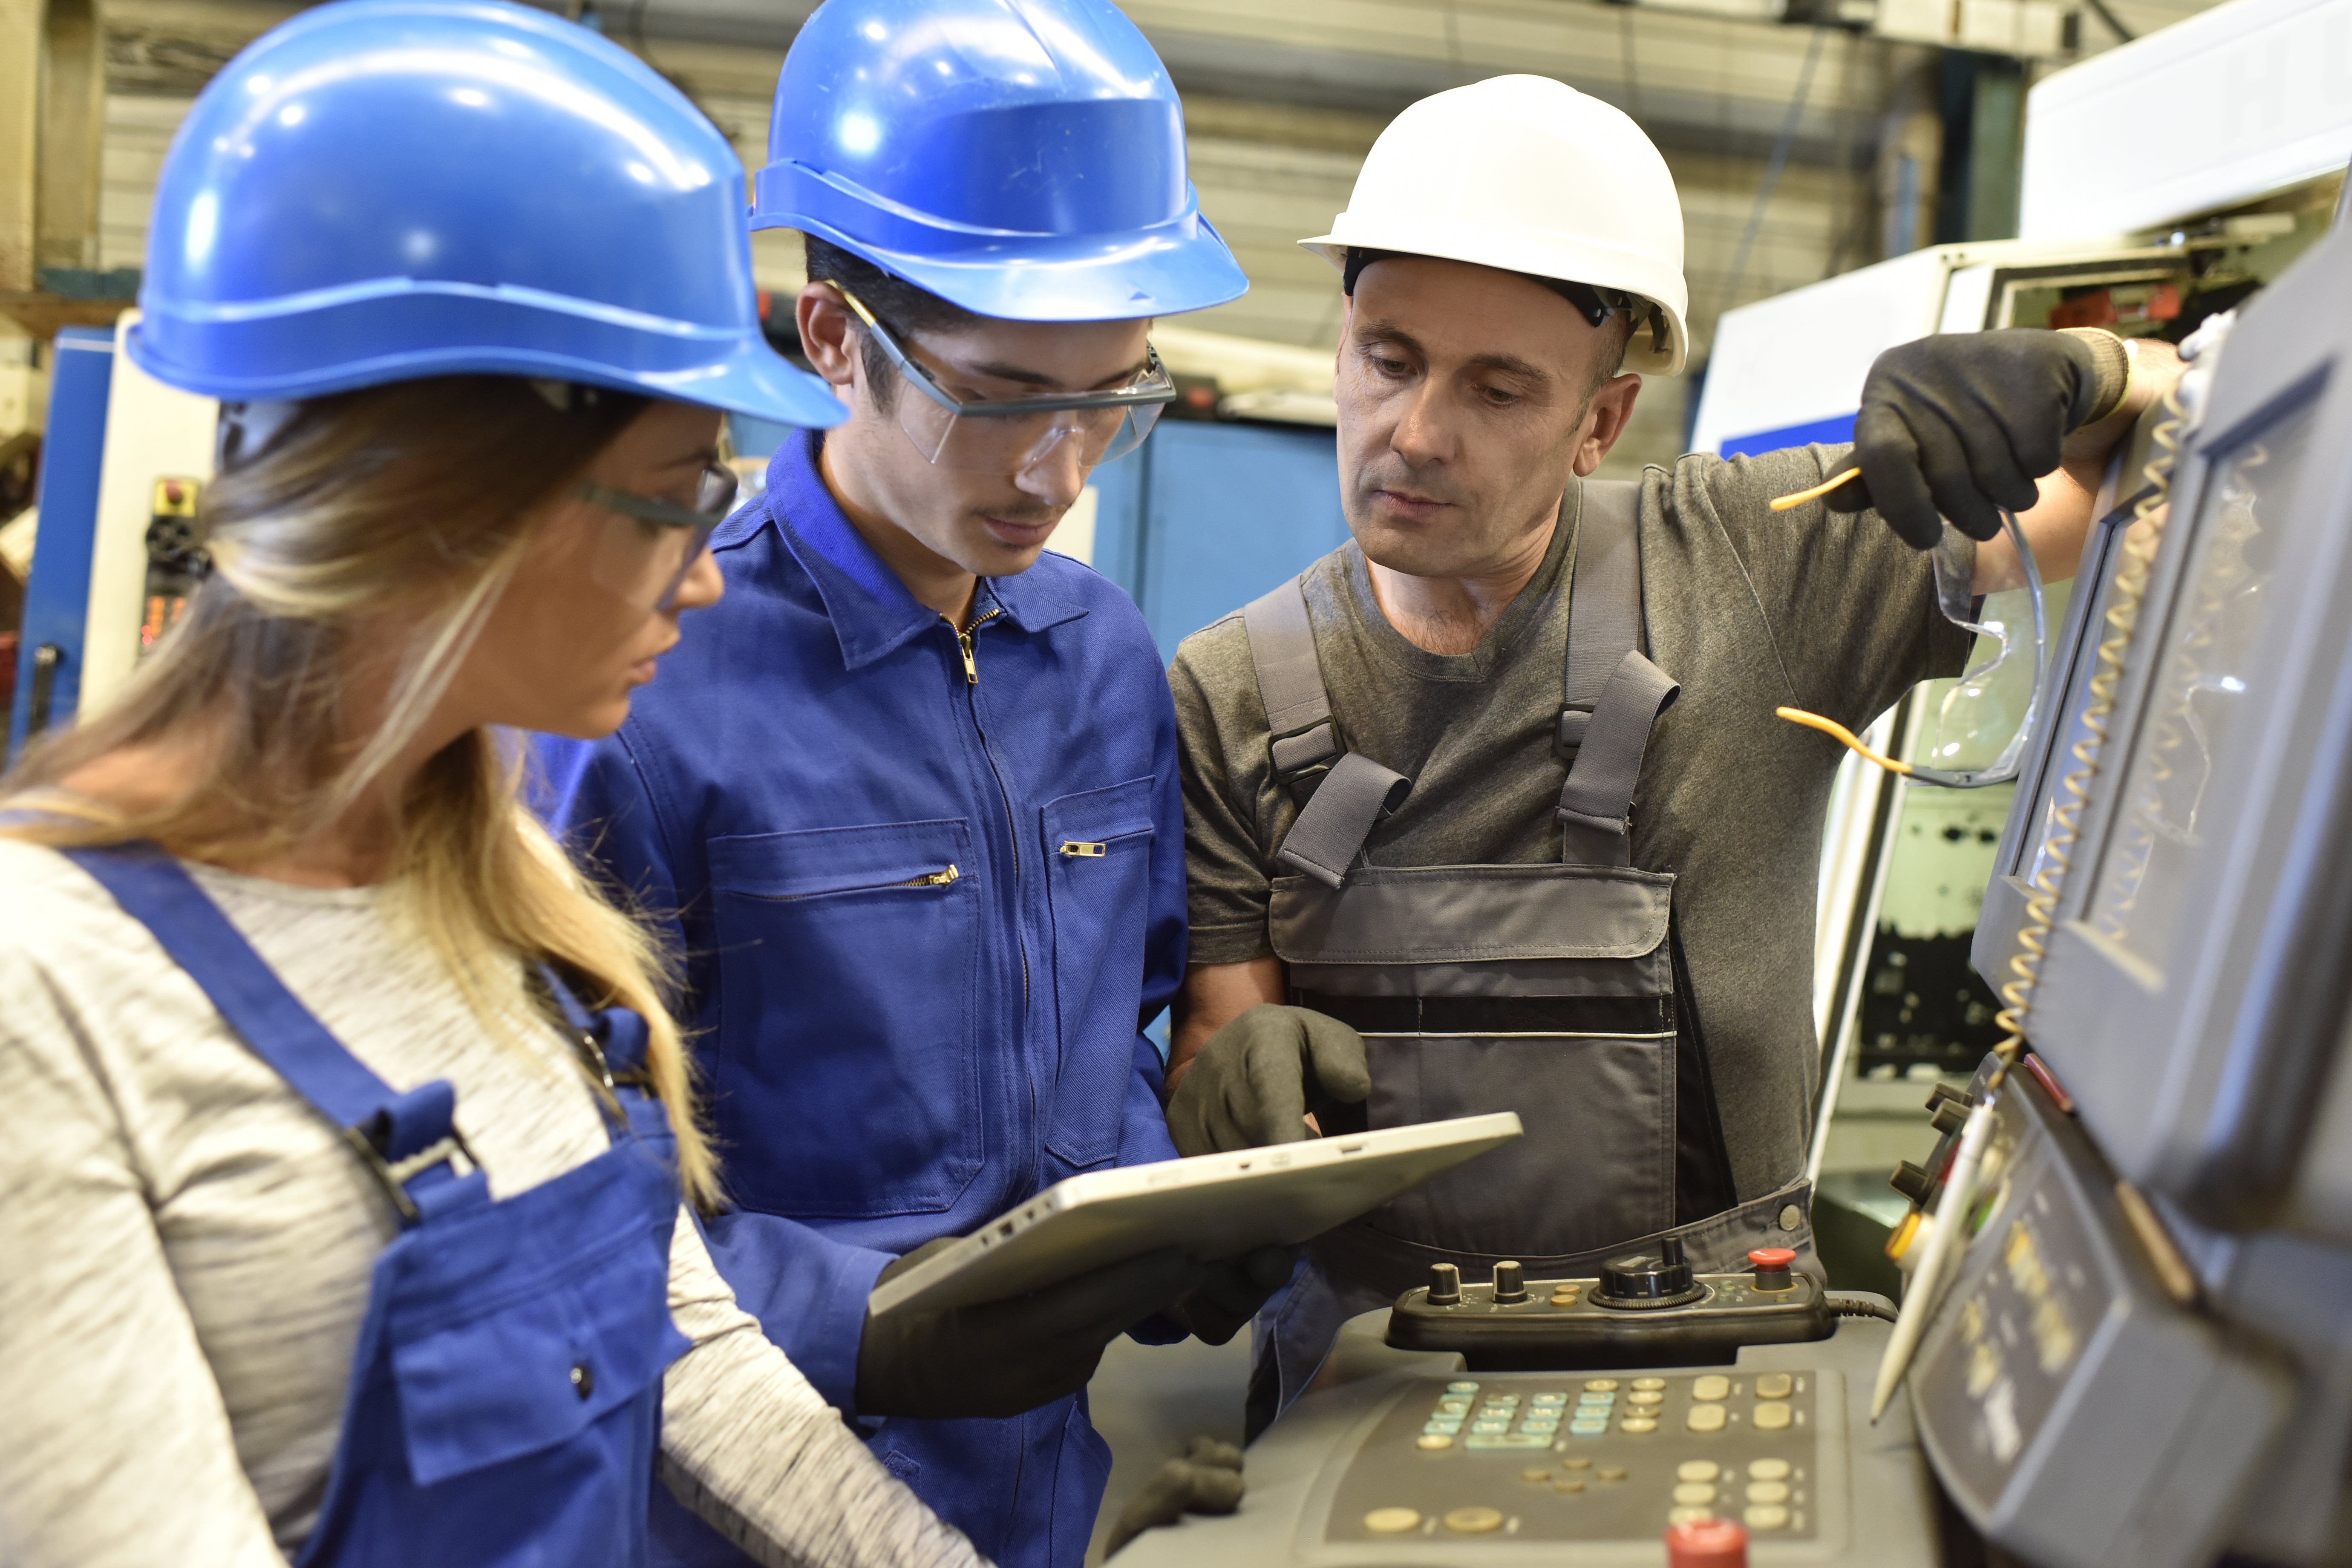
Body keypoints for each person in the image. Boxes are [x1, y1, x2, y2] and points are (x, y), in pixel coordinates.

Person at [0, 5, 1000, 1564]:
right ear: (451, 501)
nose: (710, 577)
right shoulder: (47, 994)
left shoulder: (493, 888)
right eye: (681, 499)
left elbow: (695, 1367)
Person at [1159, 73, 2178, 1432]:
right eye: (1388, 358)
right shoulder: (1225, 690)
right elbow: (1222, 1054)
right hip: (1368, 1382)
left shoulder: (1756, 564)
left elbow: (2180, 459)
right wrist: (1225, 1110)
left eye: (1499, 387)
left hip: (1727, 1361)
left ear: (1600, 422)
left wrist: (2094, 372)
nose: (1414, 431)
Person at [534, 2, 1289, 1565]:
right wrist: (866, 1327)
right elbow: (555, 1204)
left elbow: (1102, 1050)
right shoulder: (642, 684)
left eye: (1112, 400)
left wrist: (1182, 1218)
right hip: (743, 1504)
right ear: (830, 341)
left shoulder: (1097, 656)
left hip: (1041, 1500)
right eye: (1004, 397)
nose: (1056, 470)